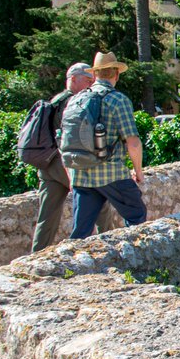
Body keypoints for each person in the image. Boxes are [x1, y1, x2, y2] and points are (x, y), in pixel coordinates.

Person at [67, 52, 147, 239]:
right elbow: (133, 142)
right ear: (116, 74)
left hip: (81, 174)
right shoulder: (117, 100)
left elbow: (66, 140)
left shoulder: (76, 100)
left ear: (94, 75)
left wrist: (71, 175)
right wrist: (138, 171)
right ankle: (139, 262)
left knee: (81, 232)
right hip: (111, 173)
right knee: (137, 217)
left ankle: (74, 267)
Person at [31, 62, 92, 252]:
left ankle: (36, 257)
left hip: (47, 165)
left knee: (47, 219)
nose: (91, 85)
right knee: (97, 199)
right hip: (64, 164)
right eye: (88, 80)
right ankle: (112, 250)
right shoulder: (71, 102)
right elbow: (71, 138)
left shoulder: (55, 101)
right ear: (73, 79)